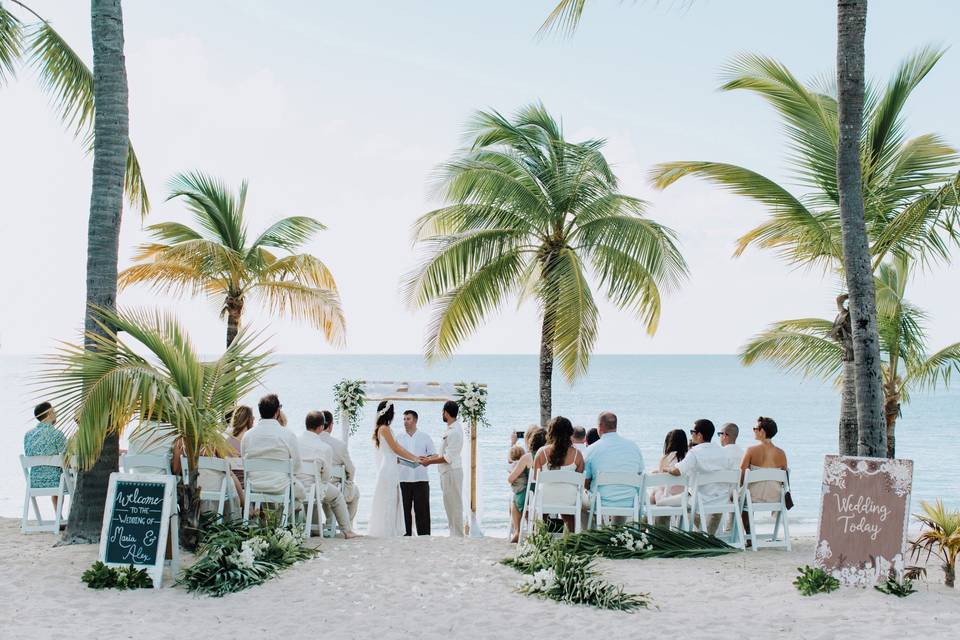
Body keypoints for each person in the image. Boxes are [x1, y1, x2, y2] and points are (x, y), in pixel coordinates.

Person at [666, 419, 736, 535]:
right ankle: (707, 535)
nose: (691, 434)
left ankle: (666, 538)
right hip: (721, 500)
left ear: (699, 435)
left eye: (692, 432)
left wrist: (667, 469)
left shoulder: (695, 452)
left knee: (665, 504)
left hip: (700, 501)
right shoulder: (723, 452)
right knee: (689, 504)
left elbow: (677, 471)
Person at [368, 401, 422, 537]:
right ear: (389, 413)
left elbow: (394, 452)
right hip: (389, 468)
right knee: (389, 498)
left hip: (390, 465)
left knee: (392, 498)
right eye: (394, 411)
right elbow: (396, 449)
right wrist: (414, 458)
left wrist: (412, 460)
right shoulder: (384, 429)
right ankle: (388, 531)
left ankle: (390, 529)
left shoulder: (383, 428)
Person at [298, 411, 356, 539]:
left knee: (315, 491)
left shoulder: (296, 441)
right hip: (314, 488)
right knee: (337, 496)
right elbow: (326, 477)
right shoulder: (324, 448)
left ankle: (314, 528)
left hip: (296, 487)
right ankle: (347, 531)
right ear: (321, 427)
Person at [241, 394, 305, 503]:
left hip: (254, 486)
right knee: (301, 495)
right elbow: (297, 466)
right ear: (277, 412)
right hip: (281, 487)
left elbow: (244, 461)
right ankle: (285, 519)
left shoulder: (248, 436)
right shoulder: (288, 435)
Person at [583, 412, 644, 523]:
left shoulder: (592, 449)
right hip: (629, 501)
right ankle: (617, 532)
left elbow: (585, 482)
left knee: (579, 501)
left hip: (601, 501)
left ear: (600, 426)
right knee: (623, 495)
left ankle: (592, 533)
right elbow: (639, 474)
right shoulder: (634, 447)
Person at [419, 400, 465, 537]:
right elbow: (443, 453)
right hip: (446, 472)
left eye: (443, 412)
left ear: (446, 412)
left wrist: (429, 462)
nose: (442, 414)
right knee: (449, 504)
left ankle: (458, 535)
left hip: (452, 472)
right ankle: (453, 533)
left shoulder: (454, 431)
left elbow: (448, 458)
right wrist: (429, 457)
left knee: (454, 504)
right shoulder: (451, 429)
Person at [533, 416, 584, 532]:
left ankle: (539, 537)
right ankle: (572, 538)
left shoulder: (541, 452)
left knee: (543, 508)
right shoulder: (578, 455)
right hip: (569, 499)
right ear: (570, 433)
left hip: (545, 497)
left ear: (551, 432)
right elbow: (579, 480)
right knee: (568, 507)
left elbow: (536, 479)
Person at [396, 409, 437, 536]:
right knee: (404, 512)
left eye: (408, 419)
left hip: (421, 479)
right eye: (404, 419)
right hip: (403, 479)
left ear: (415, 420)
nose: (405, 422)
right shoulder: (398, 438)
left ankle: (424, 536)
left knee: (422, 512)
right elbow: (394, 456)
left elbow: (434, 455)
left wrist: (427, 459)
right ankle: (405, 536)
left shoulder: (425, 437)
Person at [317, 410, 359, 523]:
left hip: (313, 486)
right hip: (333, 488)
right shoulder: (339, 445)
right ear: (330, 426)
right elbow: (351, 469)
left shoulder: (311, 443)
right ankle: (346, 524)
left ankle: (329, 519)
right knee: (356, 492)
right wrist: (349, 484)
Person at [23, 402, 67, 510]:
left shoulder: (28, 436)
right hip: (56, 481)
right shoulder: (57, 434)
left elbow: (28, 455)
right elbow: (67, 455)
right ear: (49, 414)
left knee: (56, 471)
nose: (56, 414)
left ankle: (59, 518)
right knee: (68, 477)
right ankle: (59, 517)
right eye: (54, 411)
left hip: (34, 482)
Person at [506, 426, 545, 543]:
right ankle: (533, 529)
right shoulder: (550, 456)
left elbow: (510, 478)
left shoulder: (527, 457)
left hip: (529, 497)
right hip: (545, 496)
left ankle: (518, 530)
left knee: (515, 498)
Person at [740, 416, 788, 504]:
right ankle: (775, 518)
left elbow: (741, 475)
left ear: (762, 431)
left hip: (753, 498)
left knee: (738, 497)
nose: (753, 431)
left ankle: (746, 517)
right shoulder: (782, 453)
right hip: (776, 498)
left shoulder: (751, 450)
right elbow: (784, 481)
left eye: (755, 429)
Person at [651, 429, 688, 505]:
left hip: (667, 495)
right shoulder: (688, 457)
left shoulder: (666, 458)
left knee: (654, 492)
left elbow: (661, 480)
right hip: (682, 495)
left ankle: (649, 515)